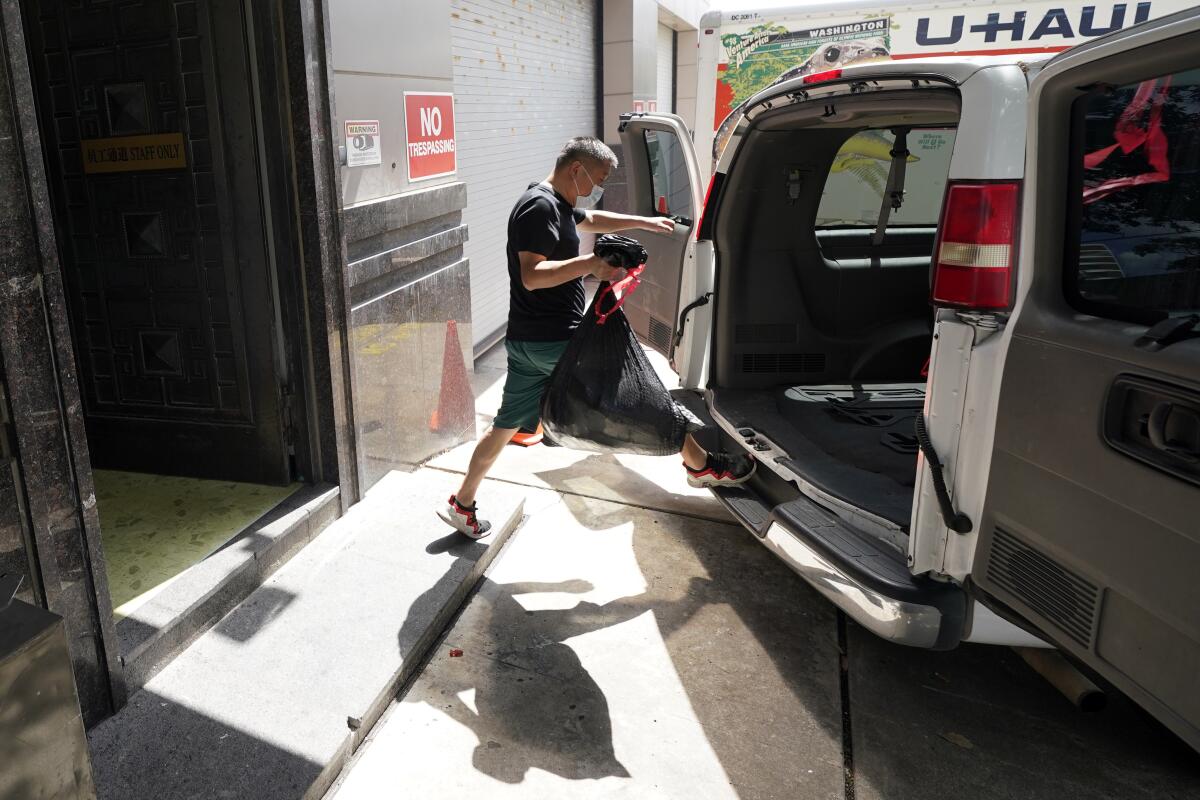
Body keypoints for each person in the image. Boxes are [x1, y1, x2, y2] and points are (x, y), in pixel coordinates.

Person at [438, 136, 755, 538]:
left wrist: (643, 222)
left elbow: (589, 221)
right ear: (577, 169)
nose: (598, 186)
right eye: (599, 177)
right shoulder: (539, 208)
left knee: (504, 426)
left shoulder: (554, 203)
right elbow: (532, 277)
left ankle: (461, 502)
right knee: (642, 394)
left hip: (527, 341)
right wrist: (590, 263)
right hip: (558, 341)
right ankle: (701, 465)